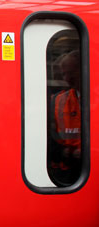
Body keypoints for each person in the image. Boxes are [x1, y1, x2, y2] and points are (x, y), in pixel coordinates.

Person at [49, 50, 81, 185]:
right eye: (64, 74)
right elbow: (48, 139)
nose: (67, 78)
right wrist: (64, 152)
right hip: (65, 173)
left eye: (71, 72)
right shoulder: (57, 101)